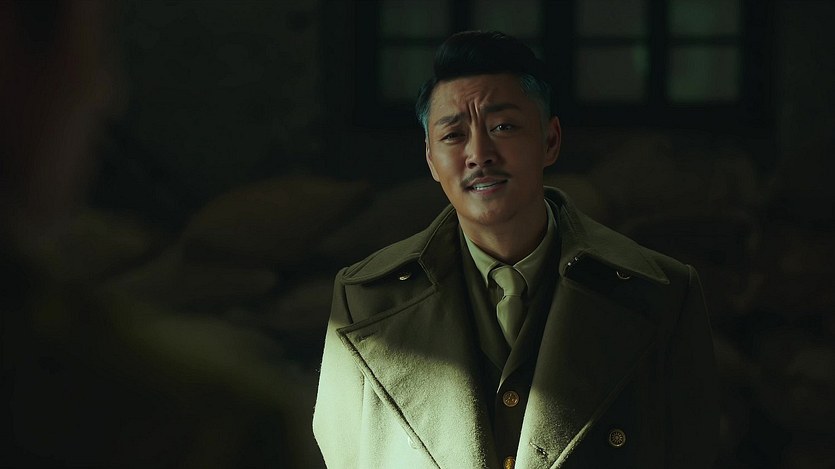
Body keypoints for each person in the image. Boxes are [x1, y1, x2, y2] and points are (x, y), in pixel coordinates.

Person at [313, 31, 718, 468]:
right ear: (430, 159)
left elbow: (690, 451)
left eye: (503, 127)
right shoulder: (364, 298)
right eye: (453, 135)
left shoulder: (663, 292)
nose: (479, 154)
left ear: (550, 140)